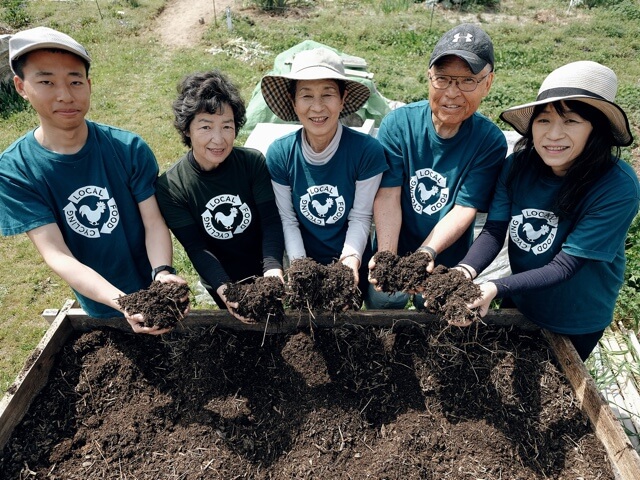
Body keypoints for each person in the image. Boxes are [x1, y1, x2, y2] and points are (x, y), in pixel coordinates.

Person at [0, 26, 187, 335]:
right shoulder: (15, 170)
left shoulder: (128, 148)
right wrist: (124, 302)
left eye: (75, 81)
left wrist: (163, 272)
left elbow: (153, 222)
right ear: (21, 86)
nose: (65, 95)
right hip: (99, 302)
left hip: (151, 280)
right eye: (46, 82)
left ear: (88, 84)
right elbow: (56, 254)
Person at [456, 61, 639, 361]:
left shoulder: (617, 186)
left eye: (570, 121)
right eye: (543, 121)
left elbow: (565, 267)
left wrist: (492, 286)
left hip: (575, 319)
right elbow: (494, 231)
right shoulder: (517, 167)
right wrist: (465, 271)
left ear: (596, 130)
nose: (553, 135)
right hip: (520, 298)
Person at [367, 23, 507, 309]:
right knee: (382, 302)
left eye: (467, 81)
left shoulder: (489, 141)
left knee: (432, 319)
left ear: (488, 83)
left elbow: (464, 207)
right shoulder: (398, 124)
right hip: (392, 240)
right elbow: (388, 193)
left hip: (447, 257)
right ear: (429, 78)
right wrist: (387, 257)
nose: (452, 93)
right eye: (442, 79)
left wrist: (425, 254)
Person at [156, 70, 284, 322]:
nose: (219, 139)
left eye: (227, 126)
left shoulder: (252, 163)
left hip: (263, 266)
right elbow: (196, 246)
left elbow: (270, 220)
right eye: (205, 127)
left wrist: (272, 268)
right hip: (219, 276)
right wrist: (225, 289)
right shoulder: (171, 186)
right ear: (187, 129)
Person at [260, 47, 388, 297]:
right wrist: (299, 268)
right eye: (306, 96)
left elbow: (361, 217)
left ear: (343, 99)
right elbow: (288, 219)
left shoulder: (366, 151)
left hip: (352, 258)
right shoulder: (280, 153)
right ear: (293, 101)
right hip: (302, 257)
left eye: (327, 94)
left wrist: (349, 262)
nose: (317, 108)